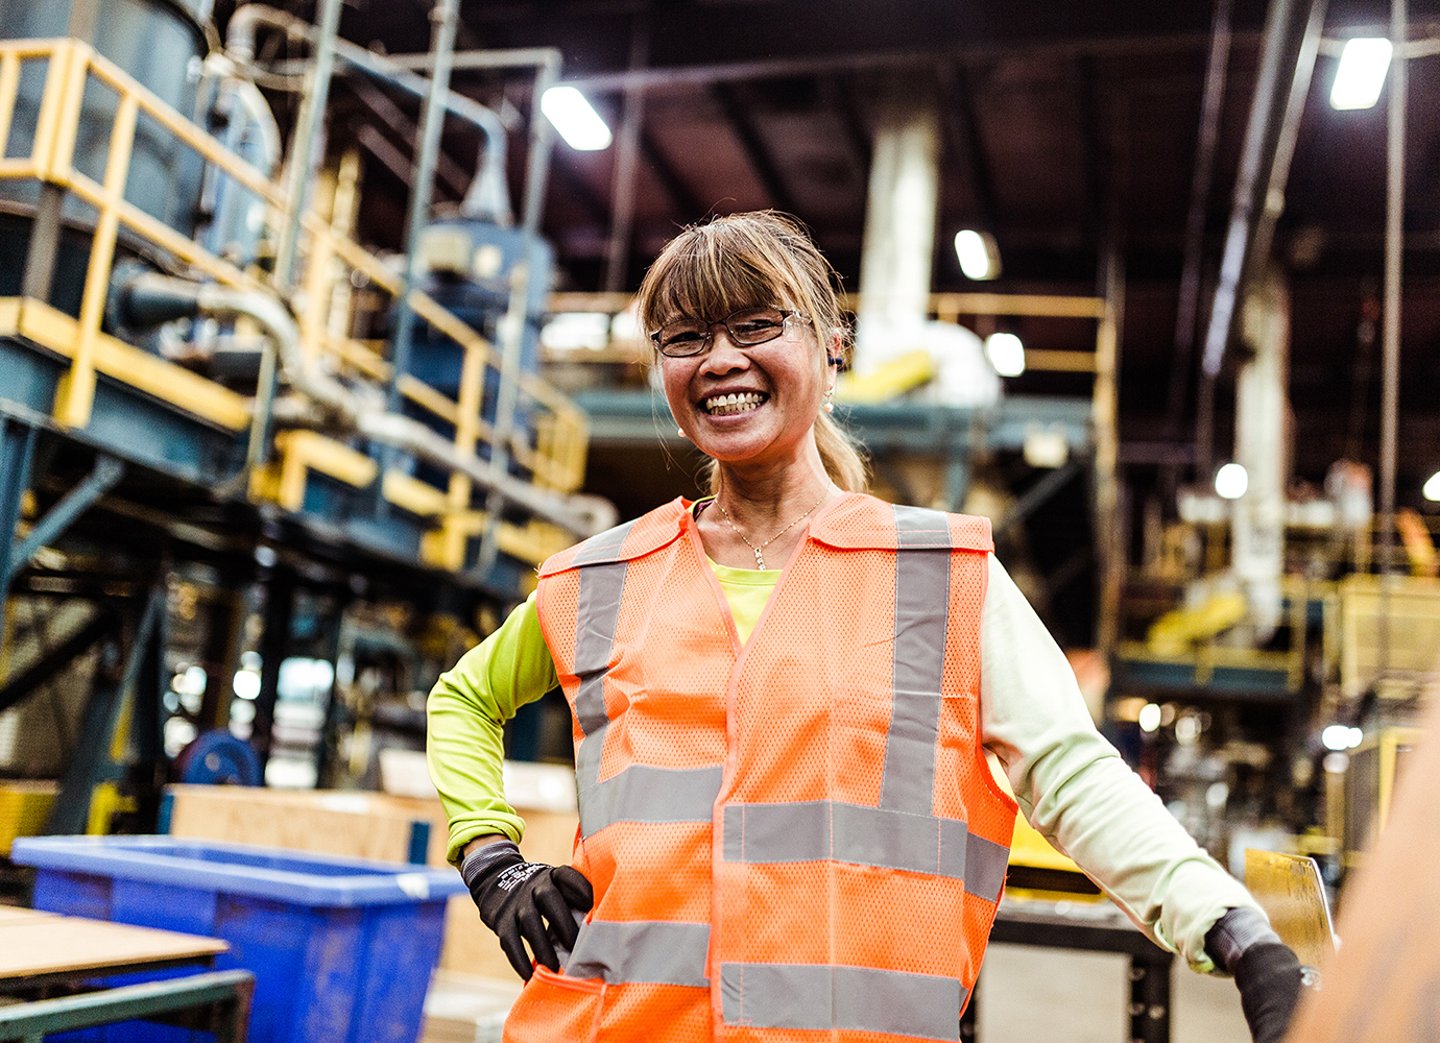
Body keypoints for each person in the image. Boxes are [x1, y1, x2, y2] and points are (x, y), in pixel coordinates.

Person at [427, 210, 1303, 1042]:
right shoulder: (605, 577)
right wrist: (492, 858)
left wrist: (1232, 928)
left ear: (833, 347)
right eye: (686, 339)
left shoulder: (940, 579)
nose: (721, 360)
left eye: (757, 325)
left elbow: (1071, 773)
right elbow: (463, 699)